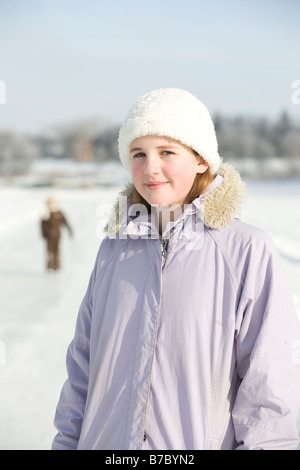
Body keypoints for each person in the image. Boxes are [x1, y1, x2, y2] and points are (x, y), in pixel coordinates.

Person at [52, 88, 300, 450]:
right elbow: (81, 374)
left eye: (167, 152)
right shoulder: (113, 251)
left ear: (201, 160)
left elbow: (269, 388)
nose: (150, 167)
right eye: (138, 154)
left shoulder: (247, 250)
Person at [41, 195, 72, 272]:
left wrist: (69, 229)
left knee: (57, 251)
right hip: (49, 236)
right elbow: (42, 224)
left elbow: (65, 221)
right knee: (50, 252)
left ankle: (57, 267)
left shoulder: (59, 213)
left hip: (57, 235)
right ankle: (50, 267)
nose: (52, 204)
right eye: (50, 203)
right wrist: (44, 233)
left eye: (53, 202)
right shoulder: (46, 213)